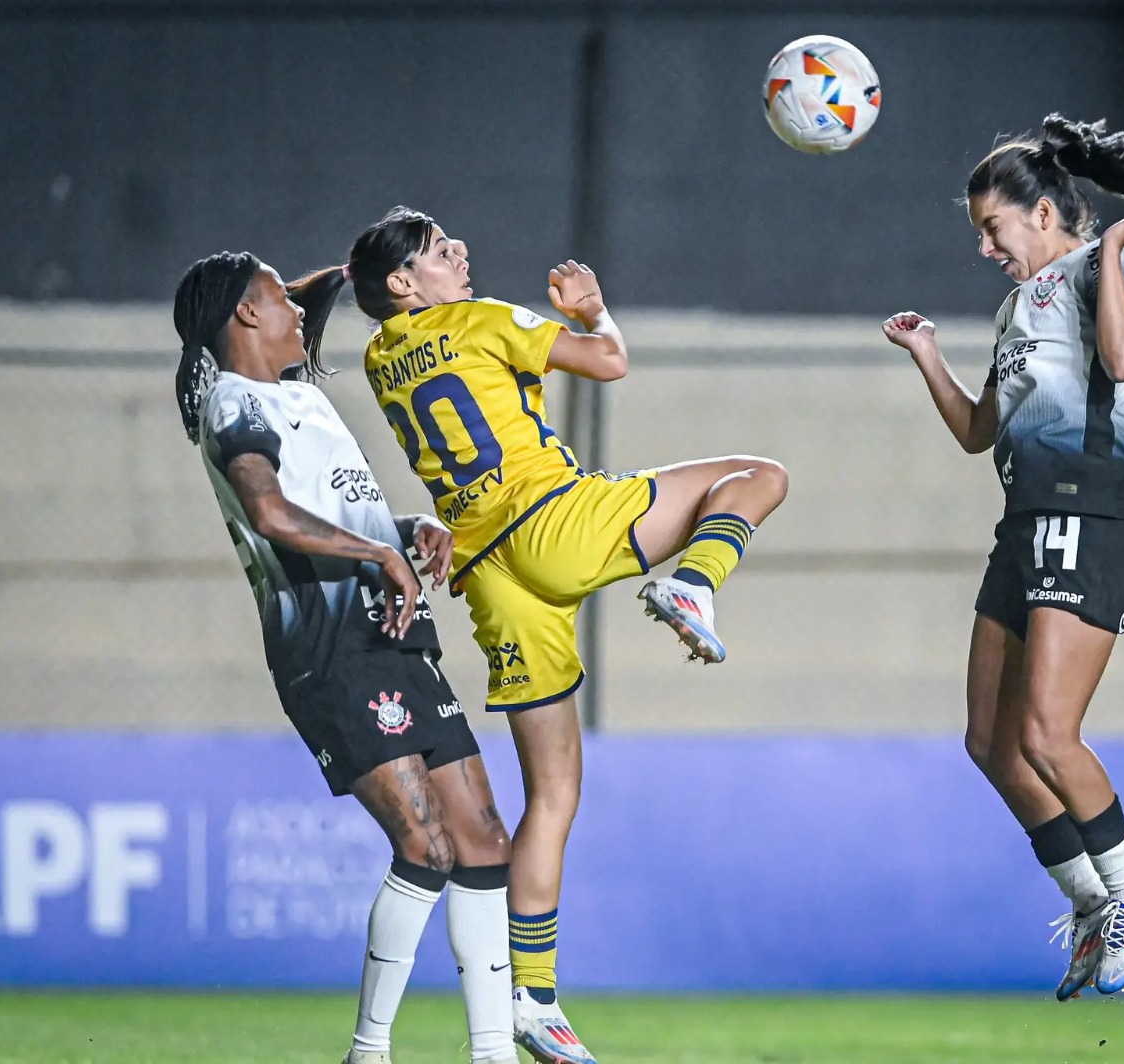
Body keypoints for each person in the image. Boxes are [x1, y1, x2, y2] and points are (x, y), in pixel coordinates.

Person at [287, 208, 788, 1064]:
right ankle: (696, 586)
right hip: (555, 521)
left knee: (550, 796)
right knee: (757, 476)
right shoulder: (483, 321)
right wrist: (592, 311)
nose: (462, 253)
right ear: (404, 283)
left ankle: (534, 999)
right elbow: (610, 363)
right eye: (441, 250)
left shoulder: (378, 357)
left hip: (490, 579)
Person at [172, 251, 521, 1064]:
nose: (297, 314)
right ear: (246, 317)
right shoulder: (236, 403)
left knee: (483, 839)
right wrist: (378, 556)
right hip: (330, 652)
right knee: (424, 848)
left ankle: (494, 1051)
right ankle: (369, 1052)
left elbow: (339, 510)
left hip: (391, 631)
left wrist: (405, 533)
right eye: (275, 299)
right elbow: (268, 509)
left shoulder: (299, 397)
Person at [883, 115, 1124, 999]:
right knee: (991, 742)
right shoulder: (1018, 305)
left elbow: (1122, 363)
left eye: (993, 228)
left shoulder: (1107, 267)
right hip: (1028, 520)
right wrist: (929, 356)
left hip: (1095, 515)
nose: (985, 247)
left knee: (1048, 733)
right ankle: (1089, 899)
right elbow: (980, 431)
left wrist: (1118, 239)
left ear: (1045, 213)